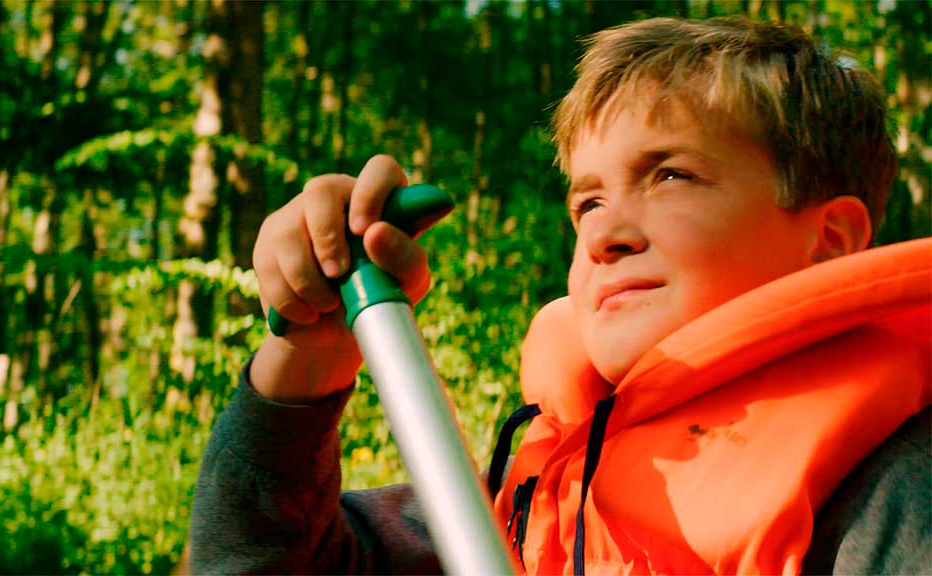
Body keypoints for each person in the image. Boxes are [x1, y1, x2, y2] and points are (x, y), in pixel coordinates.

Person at [190, 16, 931, 575]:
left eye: (670, 174)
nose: (605, 232)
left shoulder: (892, 489)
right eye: (586, 203)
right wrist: (306, 358)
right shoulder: (532, 485)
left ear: (830, 237)